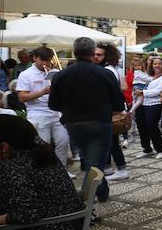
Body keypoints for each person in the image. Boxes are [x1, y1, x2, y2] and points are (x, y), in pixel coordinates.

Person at [48, 38, 125, 203]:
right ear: (93, 53)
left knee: (91, 160)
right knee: (94, 164)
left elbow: (53, 105)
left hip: (73, 125)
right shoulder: (105, 74)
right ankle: (84, 200)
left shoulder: (61, 76)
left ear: (74, 52)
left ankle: (102, 193)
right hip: (99, 124)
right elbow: (119, 104)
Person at [16, 46, 70, 170]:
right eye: (42, 60)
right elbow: (22, 97)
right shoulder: (26, 74)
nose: (45, 63)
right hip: (37, 113)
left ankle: (62, 170)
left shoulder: (55, 73)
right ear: (34, 58)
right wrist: (43, 92)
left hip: (56, 112)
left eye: (48, 60)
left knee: (63, 142)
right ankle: (45, 171)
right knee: (43, 145)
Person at [94, 42, 131, 182]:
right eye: (95, 54)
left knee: (112, 141)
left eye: (99, 54)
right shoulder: (108, 69)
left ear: (107, 56)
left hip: (109, 111)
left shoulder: (108, 70)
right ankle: (109, 167)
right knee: (108, 140)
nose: (96, 57)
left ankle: (122, 169)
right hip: (107, 110)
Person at [135, 57, 162, 159]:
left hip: (155, 103)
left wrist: (142, 92)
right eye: (155, 64)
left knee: (152, 126)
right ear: (152, 65)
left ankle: (160, 149)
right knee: (141, 127)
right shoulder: (147, 76)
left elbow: (158, 91)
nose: (157, 66)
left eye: (159, 64)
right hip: (141, 104)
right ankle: (147, 149)